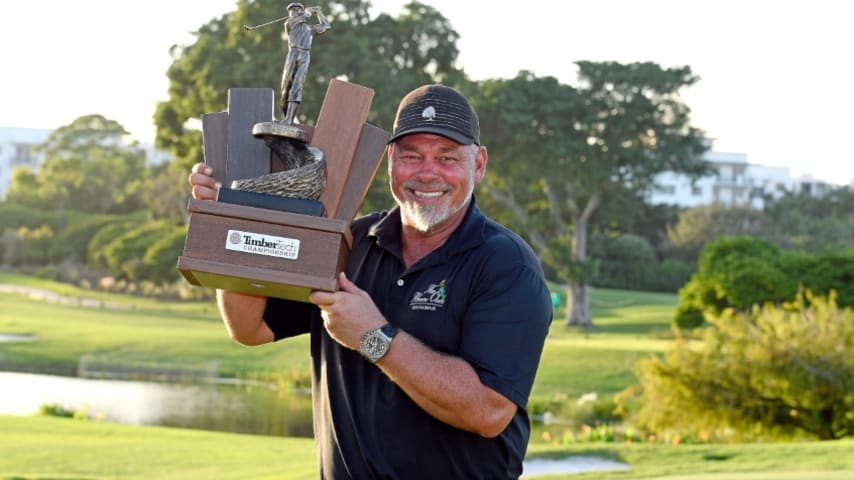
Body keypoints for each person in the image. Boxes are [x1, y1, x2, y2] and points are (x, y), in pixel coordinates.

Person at [188, 84, 553, 479]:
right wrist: (234, 220)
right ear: (391, 161)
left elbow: (489, 411)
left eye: (447, 157)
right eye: (411, 156)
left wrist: (372, 337)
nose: (427, 172)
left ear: (478, 164)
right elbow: (249, 327)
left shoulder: (506, 265)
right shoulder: (347, 241)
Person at [279, 3, 331, 124]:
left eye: (298, 9)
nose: (295, 11)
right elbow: (295, 20)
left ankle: (289, 120)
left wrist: (318, 12)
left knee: (297, 85)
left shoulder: (310, 29)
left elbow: (326, 26)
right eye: (293, 10)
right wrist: (308, 12)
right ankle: (285, 115)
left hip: (304, 55)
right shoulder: (289, 24)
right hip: (293, 53)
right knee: (286, 85)